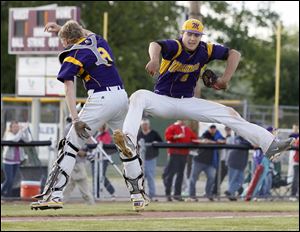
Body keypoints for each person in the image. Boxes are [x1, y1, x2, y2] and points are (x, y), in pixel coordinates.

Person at [112, 18, 294, 208]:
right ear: (183, 33)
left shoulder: (205, 50)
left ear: (201, 37)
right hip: (162, 100)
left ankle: (269, 145)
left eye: (197, 35)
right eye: (189, 33)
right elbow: (155, 44)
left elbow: (235, 53)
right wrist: (154, 59)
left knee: (229, 112)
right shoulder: (175, 46)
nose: (192, 38)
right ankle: (129, 141)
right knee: (138, 96)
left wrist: (225, 78)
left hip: (188, 102)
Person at [31, 20, 147, 211]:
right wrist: (63, 29)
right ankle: (138, 197)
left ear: (66, 40)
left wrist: (75, 119)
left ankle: (54, 195)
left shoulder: (73, 54)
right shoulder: (98, 41)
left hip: (101, 97)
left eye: (63, 40)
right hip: (121, 96)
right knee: (126, 145)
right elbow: (85, 31)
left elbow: (69, 87)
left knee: (70, 145)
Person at [62, 116, 95, 205]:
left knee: (69, 185)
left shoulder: (78, 128)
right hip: (75, 161)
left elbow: (89, 142)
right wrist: (85, 153)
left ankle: (59, 203)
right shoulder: (70, 129)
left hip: (73, 161)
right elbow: (73, 147)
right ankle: (91, 204)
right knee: (82, 186)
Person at [189, 125, 224, 201]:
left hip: (210, 163)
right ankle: (192, 195)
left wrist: (219, 141)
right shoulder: (205, 134)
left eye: (214, 129)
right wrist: (214, 142)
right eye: (211, 128)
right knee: (193, 178)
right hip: (199, 161)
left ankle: (208, 194)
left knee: (211, 178)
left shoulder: (218, 135)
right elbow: (203, 140)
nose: (212, 130)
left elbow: (223, 140)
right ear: (209, 129)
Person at [163, 120, 197, 201]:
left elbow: (193, 138)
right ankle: (168, 194)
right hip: (174, 153)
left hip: (184, 154)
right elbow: (167, 137)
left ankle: (177, 195)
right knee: (170, 174)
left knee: (180, 175)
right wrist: (176, 136)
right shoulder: (172, 127)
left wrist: (198, 141)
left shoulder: (187, 129)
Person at [1, 121, 31, 197]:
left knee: (12, 180)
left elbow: (28, 140)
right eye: (14, 127)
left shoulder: (19, 134)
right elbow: (15, 140)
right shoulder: (8, 135)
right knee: (9, 180)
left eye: (17, 127)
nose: (16, 128)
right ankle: (3, 193)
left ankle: (8, 196)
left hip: (16, 161)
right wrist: (21, 130)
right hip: (8, 161)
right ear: (10, 128)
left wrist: (26, 129)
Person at [137, 118, 163, 201]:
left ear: (149, 125)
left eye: (146, 124)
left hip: (151, 158)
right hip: (141, 159)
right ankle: (141, 195)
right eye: (143, 125)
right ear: (141, 126)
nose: (144, 126)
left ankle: (152, 195)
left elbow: (161, 142)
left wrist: (156, 143)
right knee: (141, 177)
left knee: (150, 177)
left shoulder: (154, 133)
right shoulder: (139, 134)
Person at [93, 124, 116, 199]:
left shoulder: (106, 134)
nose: (98, 127)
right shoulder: (97, 134)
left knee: (101, 175)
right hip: (97, 158)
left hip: (104, 158)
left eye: (100, 126)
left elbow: (106, 144)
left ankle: (111, 191)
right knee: (96, 176)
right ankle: (96, 193)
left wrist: (100, 144)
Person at [225, 135, 251, 201]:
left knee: (240, 181)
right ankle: (231, 194)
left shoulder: (247, 138)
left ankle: (230, 192)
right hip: (233, 162)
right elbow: (241, 143)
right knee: (232, 181)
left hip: (241, 164)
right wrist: (250, 143)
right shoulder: (238, 137)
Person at [212, 126, 234, 196]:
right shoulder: (224, 138)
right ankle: (214, 192)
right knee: (218, 177)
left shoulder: (232, 139)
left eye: (229, 130)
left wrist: (222, 141)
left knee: (232, 178)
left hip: (229, 161)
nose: (228, 131)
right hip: (223, 161)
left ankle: (235, 191)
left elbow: (228, 142)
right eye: (227, 130)